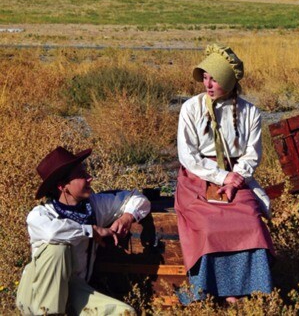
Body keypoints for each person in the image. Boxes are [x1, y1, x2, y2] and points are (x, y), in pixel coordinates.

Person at [175, 43, 274, 304]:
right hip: (198, 177)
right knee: (207, 226)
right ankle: (208, 291)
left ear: (229, 83)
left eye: (214, 79)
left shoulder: (250, 112)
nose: (207, 84)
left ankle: (247, 292)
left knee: (250, 221)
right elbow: (188, 155)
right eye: (205, 77)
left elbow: (251, 154)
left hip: (237, 174)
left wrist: (235, 178)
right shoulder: (191, 108)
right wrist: (220, 177)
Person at [15, 146, 151, 315]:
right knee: (58, 248)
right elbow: (52, 234)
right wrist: (91, 230)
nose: (90, 178)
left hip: (75, 289)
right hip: (38, 293)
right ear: (62, 186)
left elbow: (137, 198)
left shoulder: (93, 206)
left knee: (125, 313)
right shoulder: (41, 215)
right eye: (81, 175)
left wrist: (127, 217)